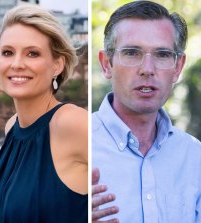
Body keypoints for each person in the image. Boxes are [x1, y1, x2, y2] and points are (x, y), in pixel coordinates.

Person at [92, 1, 201, 222]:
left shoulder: (194, 157)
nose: (147, 70)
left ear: (178, 67)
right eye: (132, 53)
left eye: (162, 54)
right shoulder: (75, 145)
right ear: (106, 64)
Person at [0, 3, 88, 222]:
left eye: (32, 53)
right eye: (8, 52)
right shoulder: (11, 126)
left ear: (57, 65)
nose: (17, 64)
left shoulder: (72, 122)